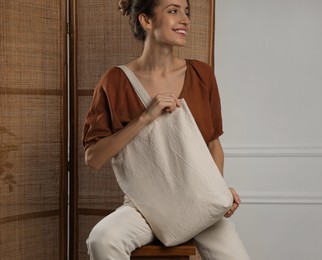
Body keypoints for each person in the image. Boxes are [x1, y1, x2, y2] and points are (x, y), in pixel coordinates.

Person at [82, 0, 250, 259]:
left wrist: (217, 193)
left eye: (186, 12)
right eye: (173, 11)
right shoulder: (114, 82)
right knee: (102, 240)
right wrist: (145, 117)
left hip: (198, 200)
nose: (185, 19)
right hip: (145, 206)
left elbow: (213, 144)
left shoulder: (202, 74)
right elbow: (94, 159)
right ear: (146, 21)